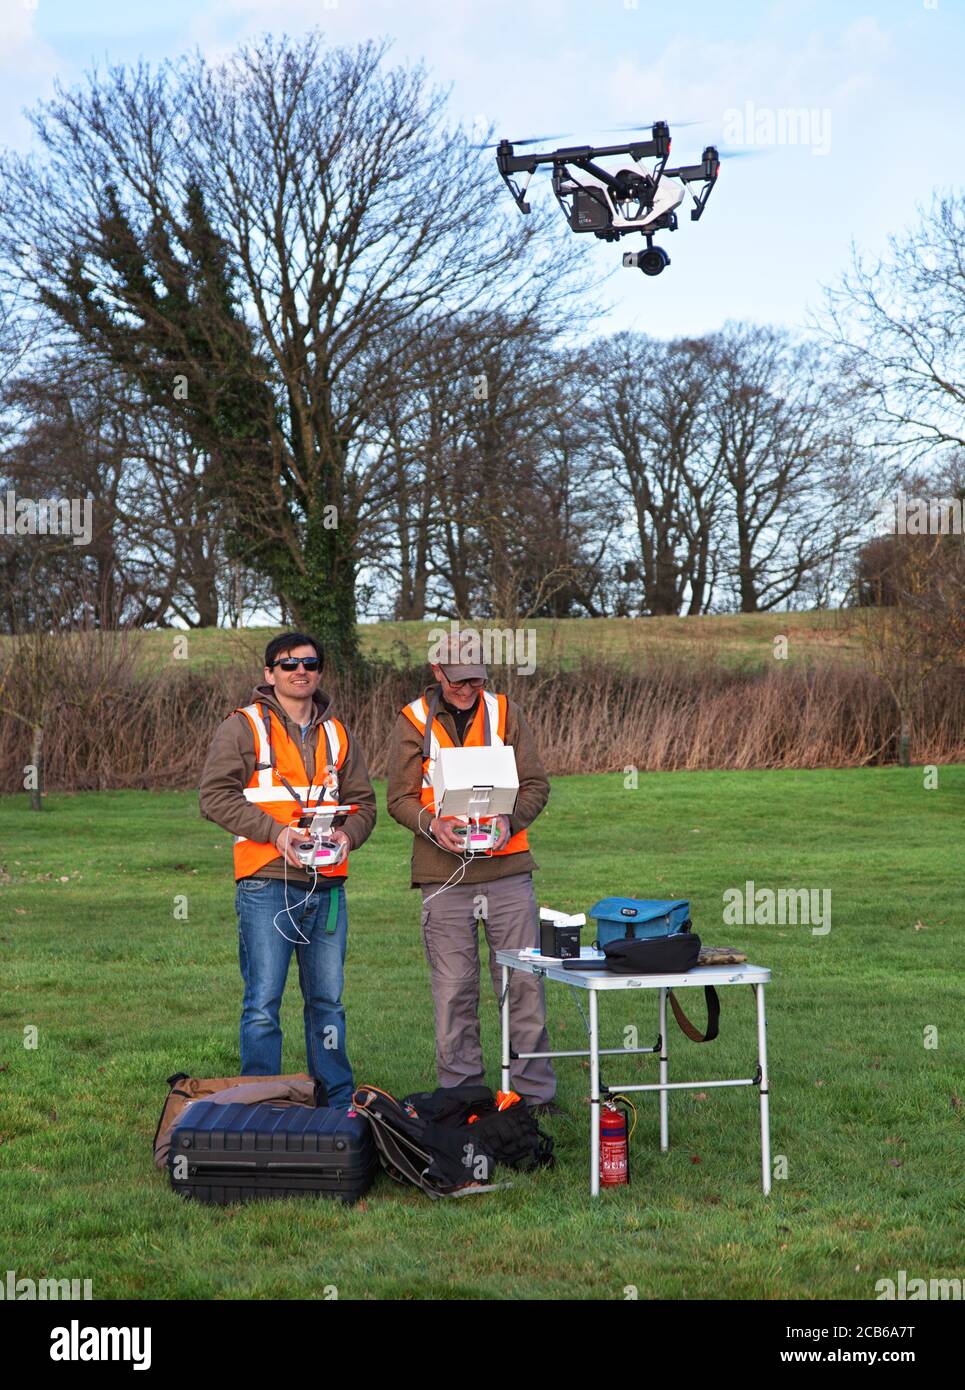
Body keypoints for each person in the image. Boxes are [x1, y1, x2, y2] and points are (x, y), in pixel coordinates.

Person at [199, 632, 375, 1104]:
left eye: (310, 663)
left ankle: (338, 1101)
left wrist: (346, 835)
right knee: (262, 1005)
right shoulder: (242, 727)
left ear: (320, 671)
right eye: (288, 663)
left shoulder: (338, 732)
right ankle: (261, 1104)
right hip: (265, 885)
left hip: (328, 888)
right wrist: (276, 834)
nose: (301, 671)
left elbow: (363, 806)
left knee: (328, 1003)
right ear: (268, 673)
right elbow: (213, 798)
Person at [386, 637, 559, 1115]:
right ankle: (464, 1098)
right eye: (459, 678)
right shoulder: (412, 720)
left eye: (476, 677)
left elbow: (537, 785)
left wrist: (510, 822)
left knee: (524, 985)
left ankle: (534, 1098)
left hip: (508, 872)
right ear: (437, 671)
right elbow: (398, 798)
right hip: (442, 879)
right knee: (454, 991)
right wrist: (434, 825)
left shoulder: (506, 713)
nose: (468, 687)